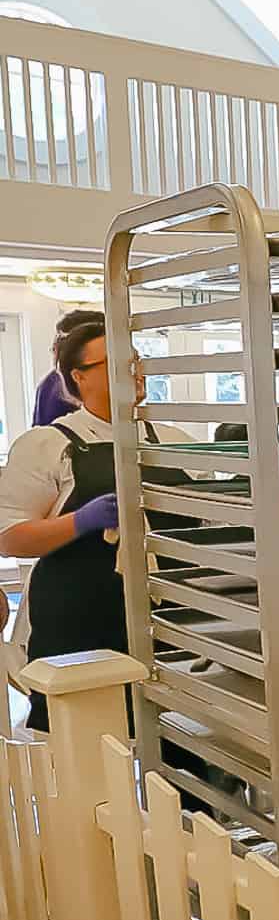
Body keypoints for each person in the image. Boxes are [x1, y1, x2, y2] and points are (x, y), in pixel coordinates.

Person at [0, 313, 134, 730]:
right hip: (77, 618)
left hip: (157, 618)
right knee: (81, 741)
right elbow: (10, 539)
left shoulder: (171, 440)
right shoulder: (48, 444)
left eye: (137, 360)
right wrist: (82, 520)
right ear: (80, 377)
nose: (134, 371)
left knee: (171, 741)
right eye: (116, 363)